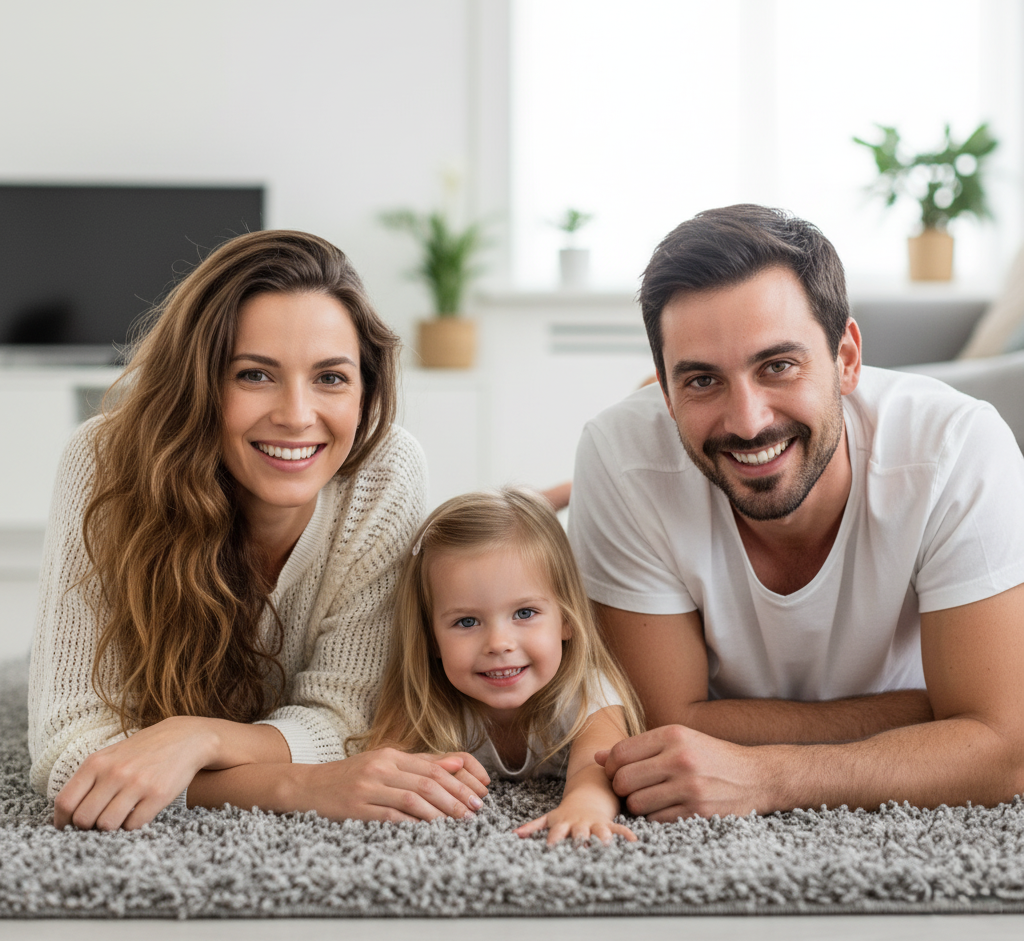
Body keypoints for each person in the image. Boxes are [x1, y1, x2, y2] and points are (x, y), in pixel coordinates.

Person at [567, 204, 1024, 821]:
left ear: (847, 359)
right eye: (702, 381)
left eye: (778, 366)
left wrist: (771, 777)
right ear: (666, 394)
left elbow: (1003, 750)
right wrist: (933, 718)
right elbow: (664, 721)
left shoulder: (956, 448)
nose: (748, 421)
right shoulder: (620, 454)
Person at [28, 229, 489, 830]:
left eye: (331, 378)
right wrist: (296, 784)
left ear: (366, 390)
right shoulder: (104, 460)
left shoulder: (384, 470)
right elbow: (70, 752)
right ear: (197, 384)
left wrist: (194, 739)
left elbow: (351, 717)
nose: (298, 416)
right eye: (254, 375)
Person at [352, 487, 644, 845]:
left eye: (524, 613)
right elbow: (386, 766)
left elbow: (596, 764)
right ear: (430, 639)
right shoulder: (426, 699)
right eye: (467, 622)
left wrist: (584, 806)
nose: (498, 644)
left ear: (567, 619)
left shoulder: (587, 692)